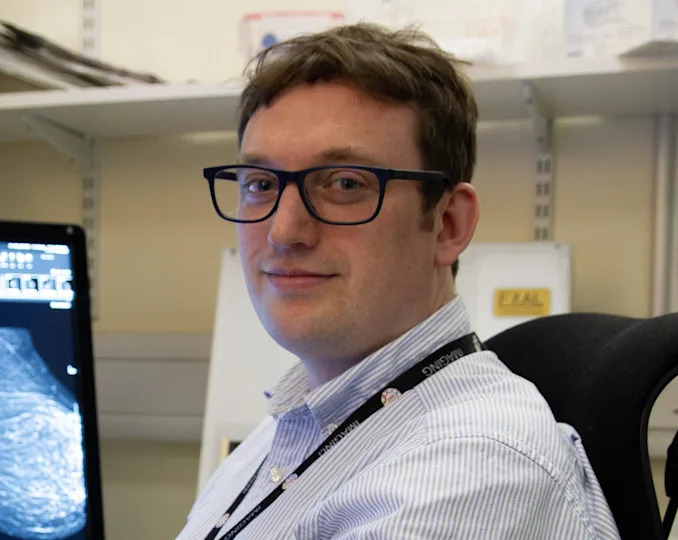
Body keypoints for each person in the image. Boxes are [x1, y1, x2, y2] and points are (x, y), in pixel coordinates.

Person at [178, 24, 619, 539]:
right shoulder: (291, 426)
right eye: (260, 184)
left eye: (345, 183)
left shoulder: (474, 466)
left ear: (448, 225)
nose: (283, 231)